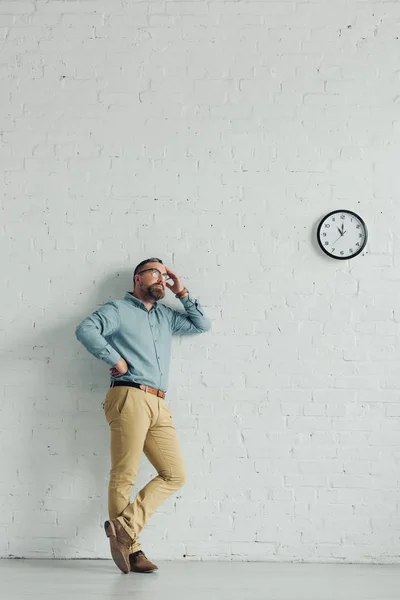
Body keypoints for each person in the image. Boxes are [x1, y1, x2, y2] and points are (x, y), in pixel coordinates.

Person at [75, 258, 211, 574]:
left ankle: (124, 528)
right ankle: (133, 550)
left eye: (165, 275)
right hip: (128, 394)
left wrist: (182, 290)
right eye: (156, 273)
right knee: (125, 474)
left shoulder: (166, 316)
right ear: (138, 278)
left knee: (175, 474)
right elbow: (86, 329)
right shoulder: (118, 310)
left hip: (159, 403)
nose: (162, 279)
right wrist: (114, 358)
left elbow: (201, 324)